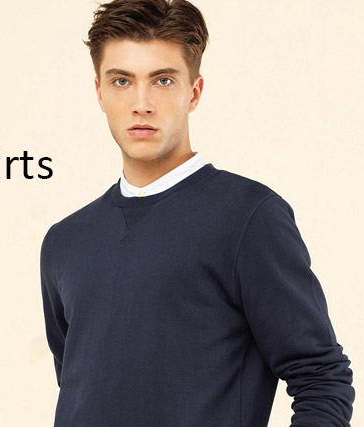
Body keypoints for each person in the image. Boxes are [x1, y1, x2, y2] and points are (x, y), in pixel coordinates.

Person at [39, 0, 355, 426]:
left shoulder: (249, 218)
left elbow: (321, 378)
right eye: (122, 81)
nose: (142, 103)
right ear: (99, 92)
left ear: (194, 92)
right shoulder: (65, 241)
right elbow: (79, 389)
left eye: (163, 80)